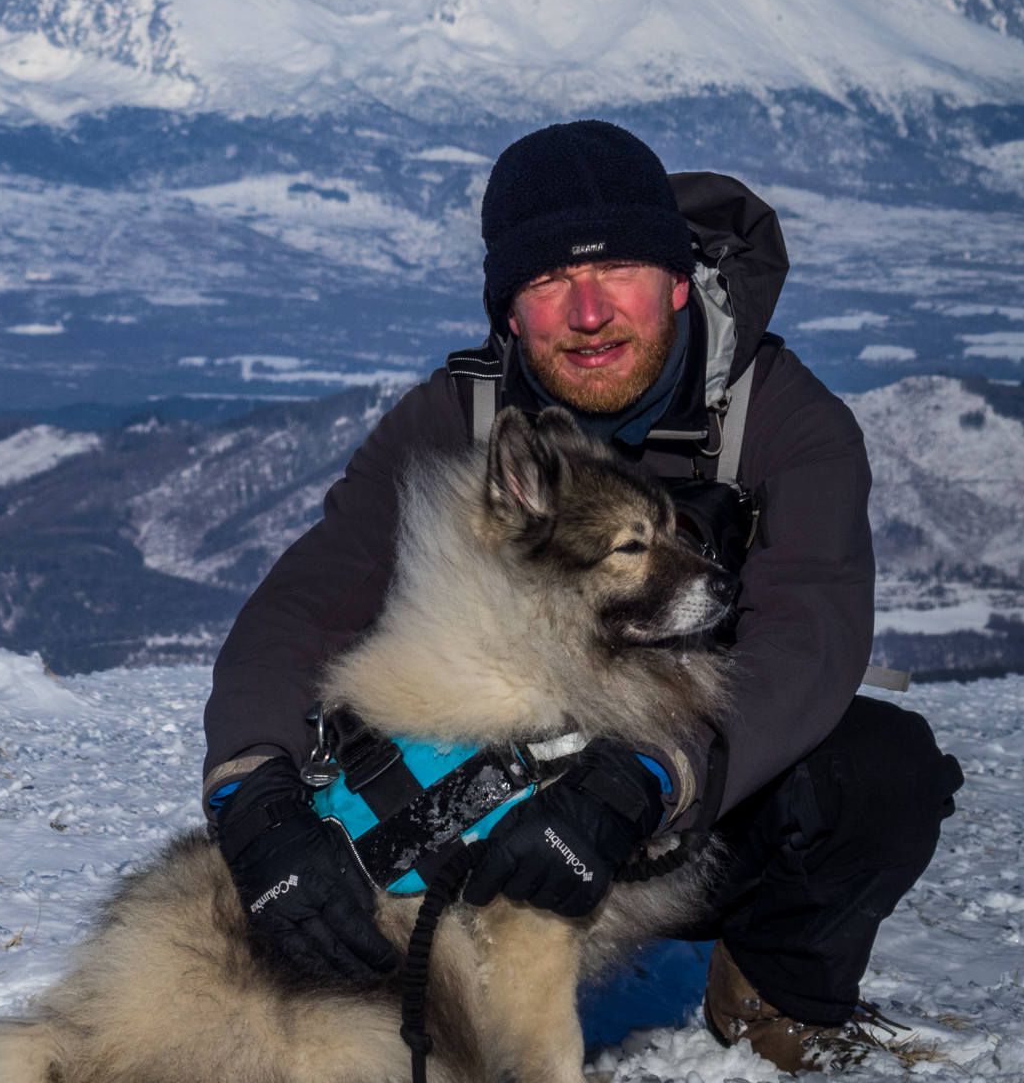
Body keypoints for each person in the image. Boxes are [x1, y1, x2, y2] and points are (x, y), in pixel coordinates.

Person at [199, 120, 964, 1073]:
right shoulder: (458, 421)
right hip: (495, 819)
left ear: (679, 281)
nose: (589, 311)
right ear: (510, 311)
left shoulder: (782, 423)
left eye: (619, 273)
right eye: (549, 282)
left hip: (695, 797)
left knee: (880, 773)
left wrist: (649, 775)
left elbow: (811, 634)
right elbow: (304, 603)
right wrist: (253, 793)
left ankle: (778, 992)